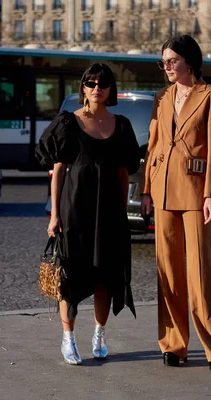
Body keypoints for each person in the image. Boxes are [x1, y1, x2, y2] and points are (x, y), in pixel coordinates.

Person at [35, 63, 140, 365]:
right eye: (91, 83)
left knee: (104, 279)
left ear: (111, 90)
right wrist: (54, 214)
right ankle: (68, 339)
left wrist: (121, 213)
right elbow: (58, 171)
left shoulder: (121, 126)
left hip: (108, 214)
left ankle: (99, 333)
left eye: (103, 83)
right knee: (71, 276)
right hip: (74, 211)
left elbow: (123, 174)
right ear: (83, 87)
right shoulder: (68, 122)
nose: (97, 88)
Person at [140, 35, 211, 373]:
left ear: (189, 62)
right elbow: (153, 145)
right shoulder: (161, 98)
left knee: (200, 272)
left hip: (195, 192)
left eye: (172, 60)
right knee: (169, 273)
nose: (166, 67)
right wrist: (146, 189)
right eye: (163, 61)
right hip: (162, 191)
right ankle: (174, 345)